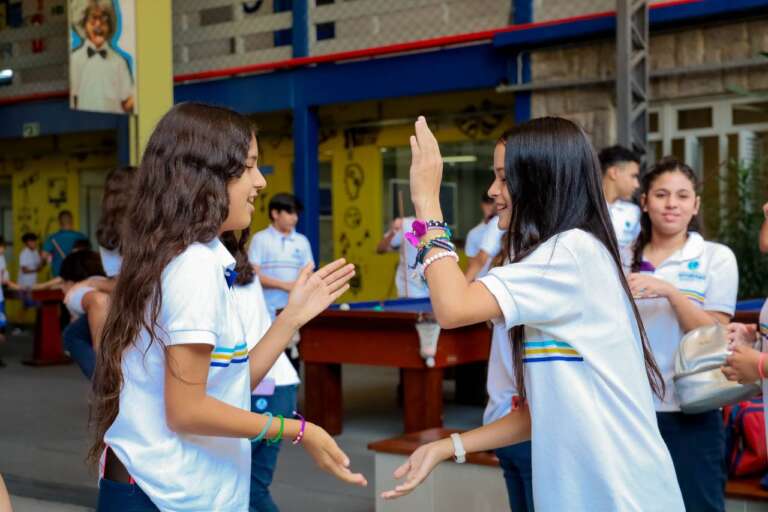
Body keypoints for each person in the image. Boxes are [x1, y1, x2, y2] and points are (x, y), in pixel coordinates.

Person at [381, 116, 684, 511]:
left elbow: (453, 309)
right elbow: (543, 412)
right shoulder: (564, 254)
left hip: (621, 498)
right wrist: (448, 446)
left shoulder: (570, 255)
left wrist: (427, 204)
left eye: (505, 178)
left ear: (543, 180)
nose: (493, 190)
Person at [89, 103, 365, 511]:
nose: (259, 182)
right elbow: (186, 410)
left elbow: (227, 388)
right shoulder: (193, 266)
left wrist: (292, 317)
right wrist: (298, 429)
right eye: (249, 166)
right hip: (157, 494)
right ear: (205, 176)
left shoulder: (196, 258)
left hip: (170, 489)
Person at [628, 156, 737, 512]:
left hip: (691, 408)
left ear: (695, 205)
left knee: (698, 505)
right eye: (661, 194)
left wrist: (671, 292)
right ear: (644, 202)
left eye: (682, 196)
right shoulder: (620, 256)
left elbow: (716, 330)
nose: (671, 204)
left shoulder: (714, 257)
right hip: (632, 408)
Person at [223, 230, 301, 512]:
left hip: (258, 385)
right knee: (253, 485)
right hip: (282, 384)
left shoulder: (223, 284)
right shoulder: (250, 277)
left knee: (248, 488)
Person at [248, 193, 314, 368]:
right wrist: (285, 286)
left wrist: (299, 285)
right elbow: (253, 275)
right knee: (267, 363)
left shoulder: (302, 241)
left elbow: (308, 272)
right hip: (266, 313)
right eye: (290, 213)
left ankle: (289, 394)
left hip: (293, 313)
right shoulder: (260, 239)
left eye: (296, 214)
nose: (295, 218)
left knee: (292, 362)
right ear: (275, 213)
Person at [69, 1, 134, 114]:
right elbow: (73, 97)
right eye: (93, 20)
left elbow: (127, 100)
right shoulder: (75, 60)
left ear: (110, 26)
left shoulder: (119, 62)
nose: (98, 25)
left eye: (103, 20)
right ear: (84, 25)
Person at [599, 145, 642, 266]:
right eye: (633, 176)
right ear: (614, 173)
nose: (637, 184)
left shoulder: (633, 212)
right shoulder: (585, 209)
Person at [376, 216, 429, 298]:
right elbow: (380, 249)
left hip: (433, 290)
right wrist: (394, 231)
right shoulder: (406, 224)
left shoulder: (437, 225)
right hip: (409, 290)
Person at [42, 210, 88, 278]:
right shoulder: (82, 237)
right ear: (72, 221)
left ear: (59, 222)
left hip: (59, 277)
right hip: (77, 276)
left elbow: (44, 256)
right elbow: (88, 256)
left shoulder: (52, 238)